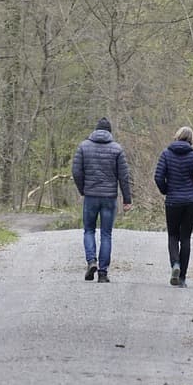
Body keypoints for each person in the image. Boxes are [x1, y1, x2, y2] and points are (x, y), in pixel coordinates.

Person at [70, 117, 133, 283]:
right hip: (109, 198)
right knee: (106, 234)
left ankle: (91, 261)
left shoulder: (83, 147)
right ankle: (103, 273)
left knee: (89, 230)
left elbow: (76, 171)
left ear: (95, 130)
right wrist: (127, 199)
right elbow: (124, 177)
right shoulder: (117, 149)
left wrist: (82, 189)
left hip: (90, 196)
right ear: (109, 132)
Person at [153, 126, 193, 287]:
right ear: (191, 139)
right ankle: (182, 278)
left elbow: (158, 177)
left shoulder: (166, 154)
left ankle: (175, 265)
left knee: (172, 236)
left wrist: (166, 190)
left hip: (173, 201)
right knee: (185, 237)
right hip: (192, 202)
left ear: (177, 136)